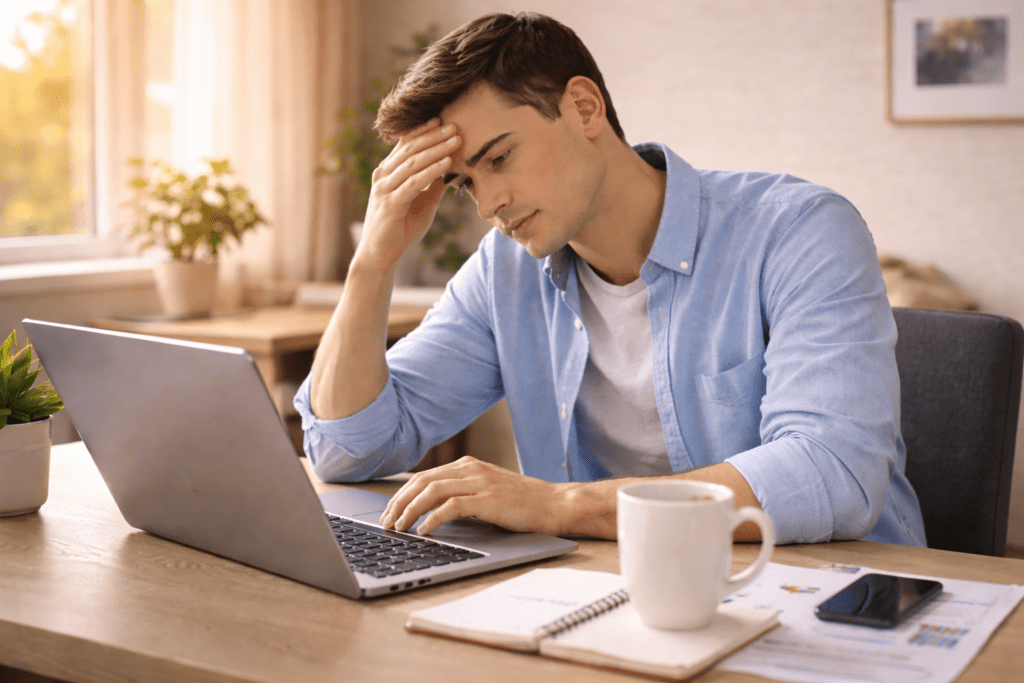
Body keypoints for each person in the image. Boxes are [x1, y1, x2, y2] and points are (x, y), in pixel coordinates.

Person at [294, 12, 926, 547]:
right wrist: (372, 264)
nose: (487, 205)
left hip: (827, 595)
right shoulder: (504, 270)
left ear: (584, 106)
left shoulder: (800, 230)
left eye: (500, 159)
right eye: (465, 183)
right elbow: (349, 451)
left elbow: (832, 470)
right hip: (606, 592)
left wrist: (556, 506)